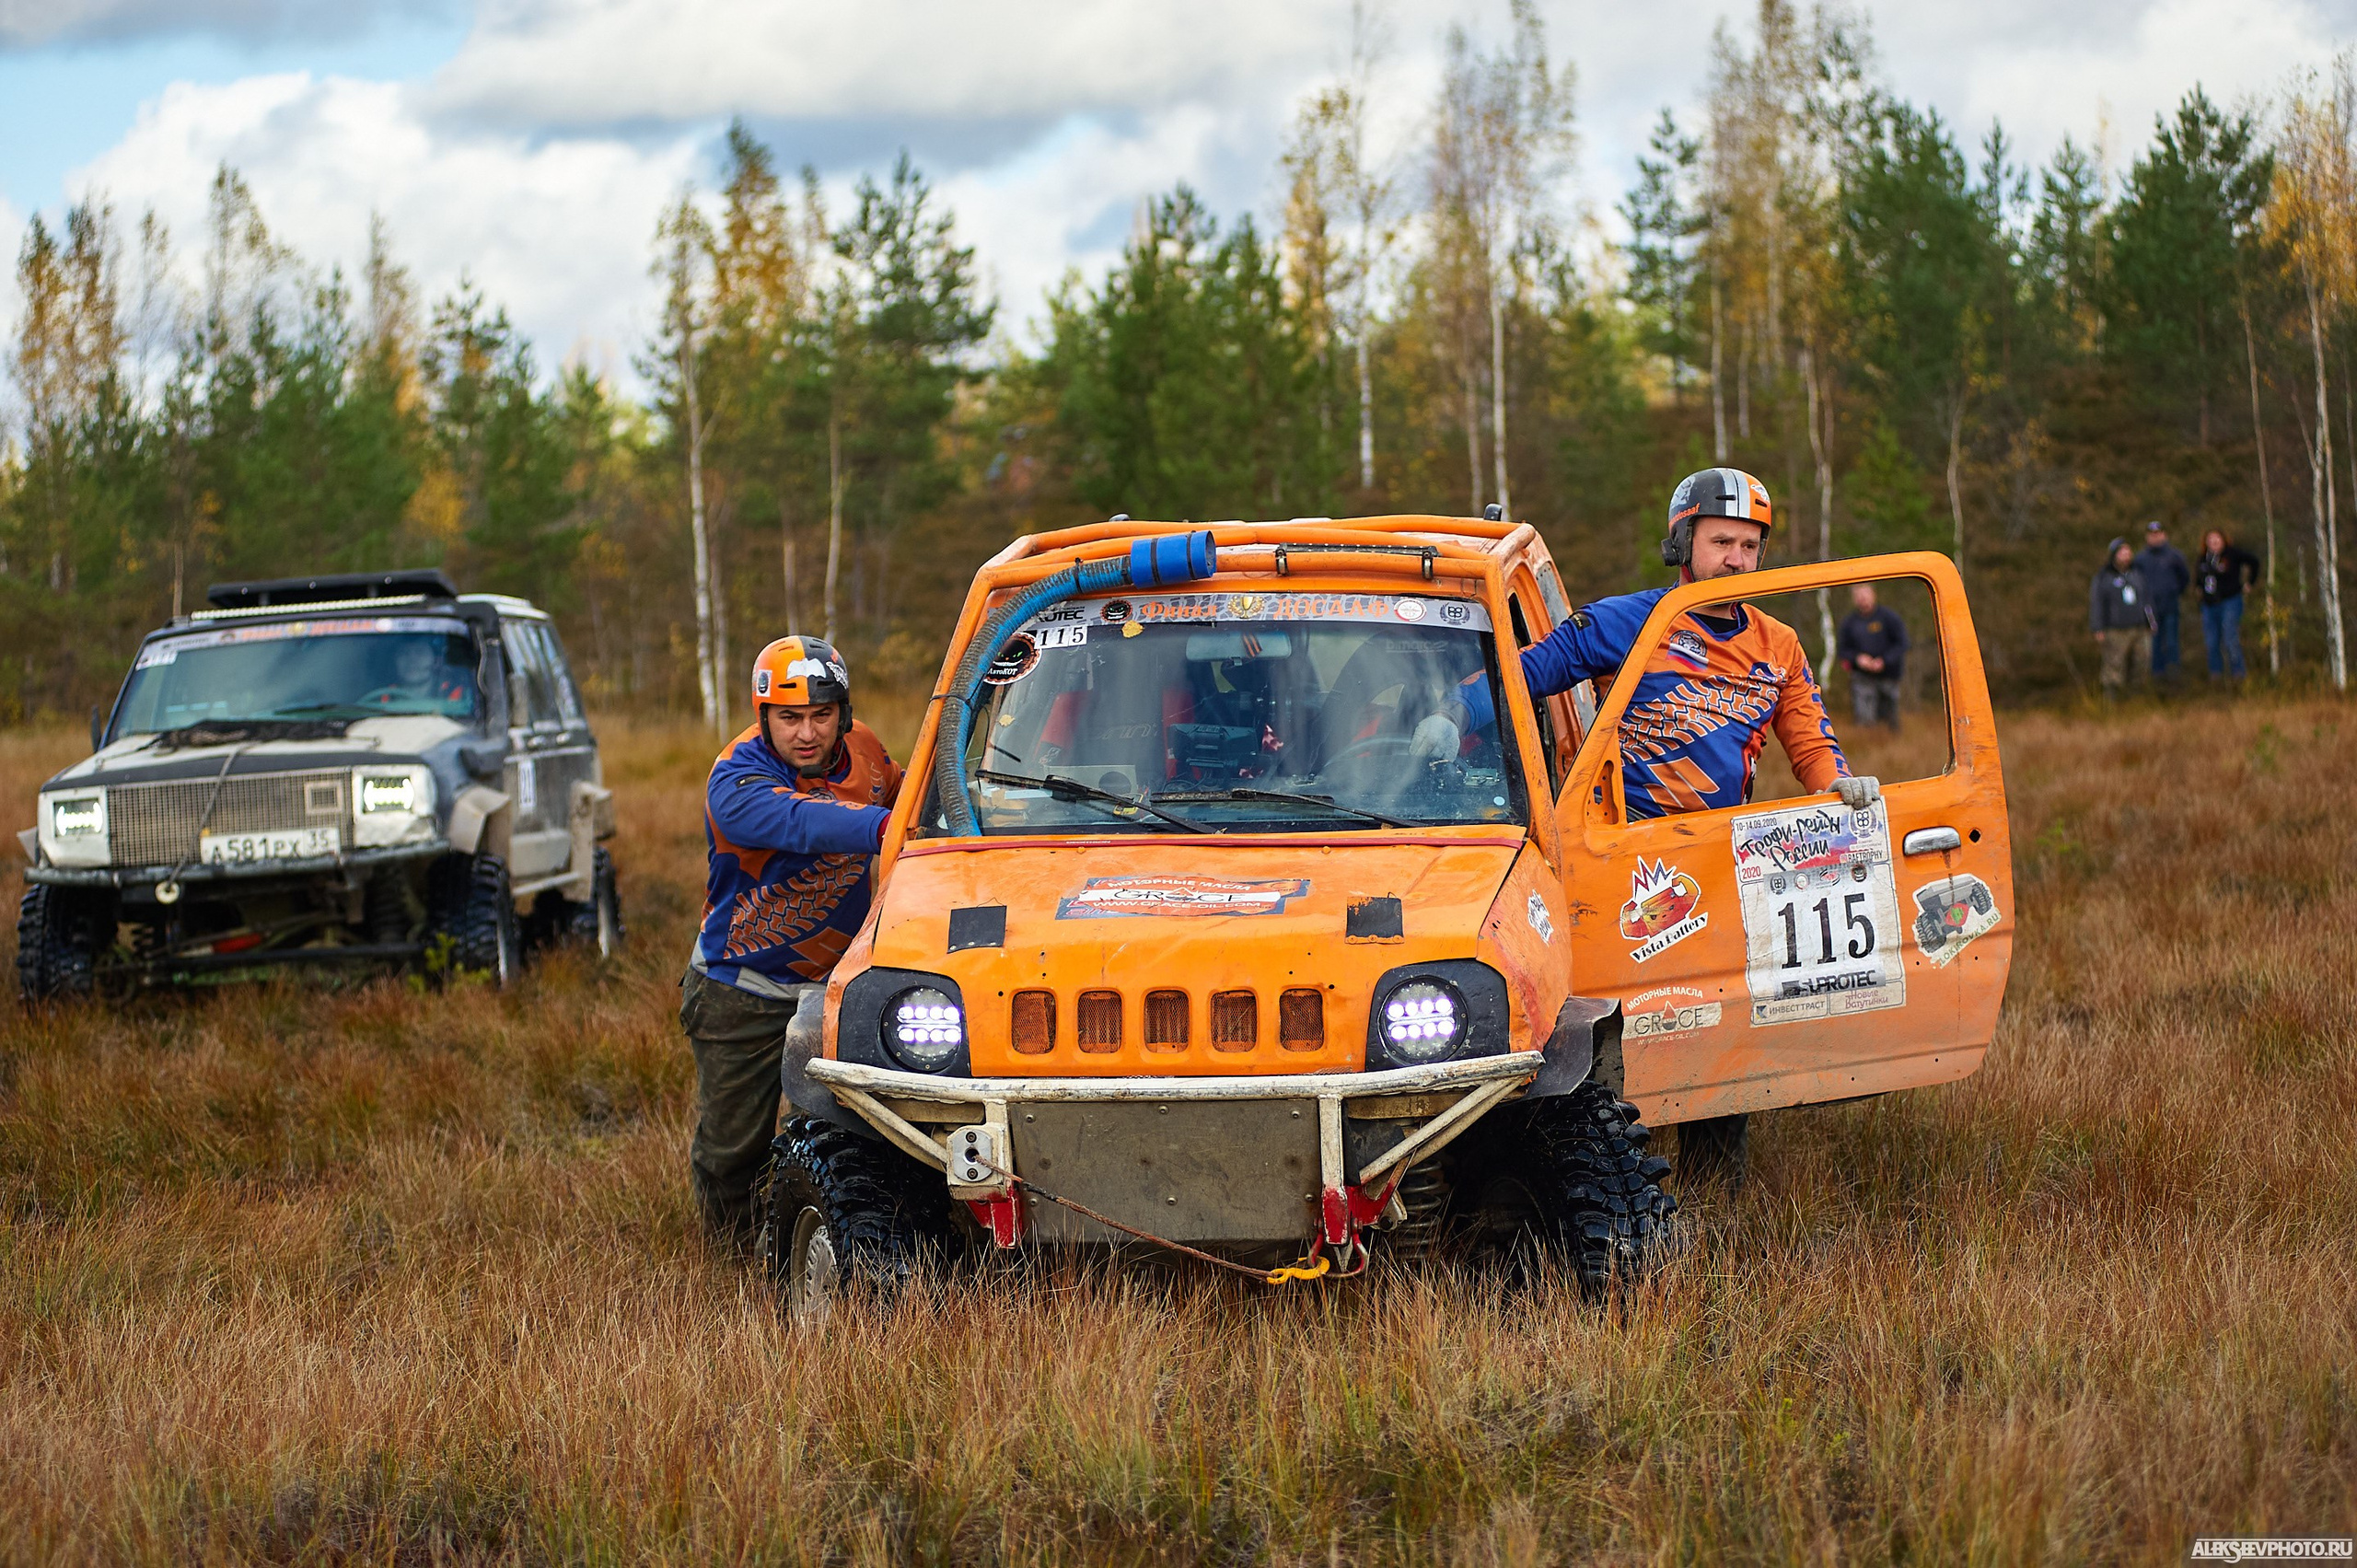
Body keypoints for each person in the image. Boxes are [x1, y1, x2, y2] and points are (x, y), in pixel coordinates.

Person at [1429, 467, 1878, 819]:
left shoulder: (1779, 644)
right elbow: (1522, 673)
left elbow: (1812, 744)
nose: (1736, 561)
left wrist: (1835, 784)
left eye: (1749, 546)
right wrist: (1455, 714)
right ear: (1683, 542)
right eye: (1721, 542)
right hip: (1623, 842)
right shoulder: (1623, 621)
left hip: (1725, 845)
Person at [679, 636, 903, 1247]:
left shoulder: (866, 749)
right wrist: (888, 826)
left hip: (836, 988)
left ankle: (838, 1241)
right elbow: (803, 820)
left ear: (844, 712)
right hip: (741, 992)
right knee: (733, 1149)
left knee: (858, 1131)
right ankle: (730, 1261)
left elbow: (913, 790)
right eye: (789, 717)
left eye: (820, 715)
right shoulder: (736, 777)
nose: (806, 733)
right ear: (763, 717)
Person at [1835, 582, 1909, 733]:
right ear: (1853, 599)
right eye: (1858, 596)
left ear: (1873, 595)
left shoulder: (1889, 617)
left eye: (1865, 594)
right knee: (1865, 720)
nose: (1862, 598)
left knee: (1890, 721)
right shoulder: (1849, 623)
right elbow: (1842, 650)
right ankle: (1869, 747)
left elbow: (1902, 643)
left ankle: (1894, 750)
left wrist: (1884, 661)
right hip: (1862, 678)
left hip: (1889, 676)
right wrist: (1858, 659)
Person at [2090, 538, 2154, 701]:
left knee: (2141, 663)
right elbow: (2097, 603)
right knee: (2114, 666)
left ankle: (2135, 700)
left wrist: (2151, 622)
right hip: (2115, 630)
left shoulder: (2137, 574)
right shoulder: (2103, 577)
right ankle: (2111, 701)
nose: (2126, 555)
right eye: (2122, 552)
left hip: (2139, 628)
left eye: (2128, 552)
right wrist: (2098, 628)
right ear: (2114, 555)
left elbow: (2146, 600)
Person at [2194, 528, 2261, 682]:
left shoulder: (2232, 554)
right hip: (2209, 605)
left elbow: (2254, 561)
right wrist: (2199, 590)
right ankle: (2216, 677)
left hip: (2230, 601)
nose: (2213, 542)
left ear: (2223, 540)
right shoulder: (2204, 558)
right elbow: (2199, 578)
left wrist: (2250, 583)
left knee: (2230, 638)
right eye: (2210, 540)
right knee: (2211, 642)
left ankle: (2238, 675)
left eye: (2216, 539)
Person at [2135, 520, 2190, 683]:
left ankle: (2174, 676)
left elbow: (2184, 578)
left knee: (2172, 642)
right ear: (2147, 537)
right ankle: (2157, 678)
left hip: (2171, 606)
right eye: (2152, 534)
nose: (2155, 537)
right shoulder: (2140, 559)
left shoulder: (2174, 556)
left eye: (2158, 533)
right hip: (2150, 610)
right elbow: (2136, 582)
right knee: (2154, 644)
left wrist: (2174, 592)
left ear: (2164, 535)